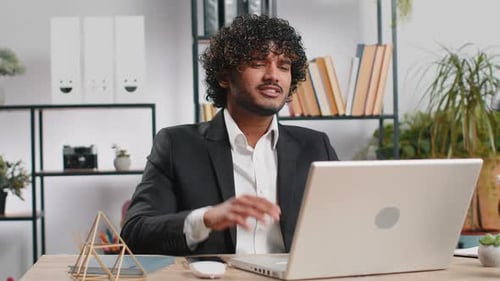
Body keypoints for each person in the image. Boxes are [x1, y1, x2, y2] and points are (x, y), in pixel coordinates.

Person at [120, 14, 338, 256]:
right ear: (225, 76)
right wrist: (205, 219)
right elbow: (135, 233)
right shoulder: (176, 145)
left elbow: (347, 224)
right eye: (258, 63)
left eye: (284, 67)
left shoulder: (316, 146)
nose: (273, 75)